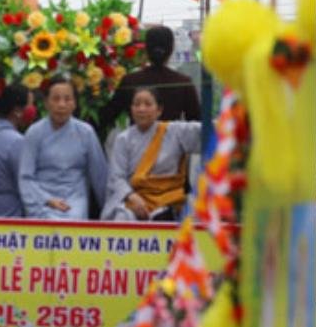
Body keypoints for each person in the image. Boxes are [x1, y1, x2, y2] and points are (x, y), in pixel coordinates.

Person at [102, 87, 202, 222]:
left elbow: (206, 131)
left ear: (159, 110)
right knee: (122, 218)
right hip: (135, 200)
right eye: (137, 104)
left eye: (148, 104)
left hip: (170, 200)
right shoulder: (123, 139)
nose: (141, 109)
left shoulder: (174, 131)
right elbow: (116, 177)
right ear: (131, 109)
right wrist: (131, 196)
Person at [19, 76, 108, 220]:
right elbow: (25, 177)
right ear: (46, 103)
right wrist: (46, 199)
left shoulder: (86, 132)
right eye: (56, 99)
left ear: (74, 104)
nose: (61, 105)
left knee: (73, 219)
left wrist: (108, 211)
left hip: (74, 198)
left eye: (67, 99)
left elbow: (99, 176)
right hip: (41, 198)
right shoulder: (34, 132)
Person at [99, 25, 202, 138]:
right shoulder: (183, 82)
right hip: (172, 149)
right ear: (171, 49)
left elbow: (106, 116)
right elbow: (197, 124)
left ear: (146, 49)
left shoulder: (130, 81)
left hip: (137, 149)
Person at [0, 83, 37, 218]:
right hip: (10, 218)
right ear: (17, 110)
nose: (33, 110)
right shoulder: (16, 142)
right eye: (30, 105)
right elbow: (26, 186)